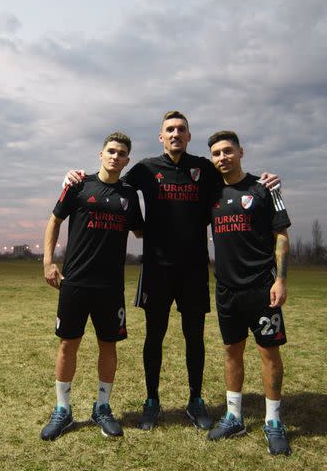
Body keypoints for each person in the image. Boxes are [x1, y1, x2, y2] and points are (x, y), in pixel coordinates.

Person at [64, 111, 280, 431]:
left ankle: (195, 401)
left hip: (193, 268)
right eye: (170, 130)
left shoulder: (204, 169)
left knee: (194, 337)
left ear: (189, 136)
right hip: (157, 268)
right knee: (155, 336)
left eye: (181, 129)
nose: (176, 134)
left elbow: (235, 178)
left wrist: (267, 183)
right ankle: (152, 400)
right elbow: (110, 178)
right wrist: (74, 179)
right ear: (161, 137)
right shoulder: (146, 169)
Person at [41, 131, 144, 441]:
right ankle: (63, 410)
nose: (115, 156)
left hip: (110, 287)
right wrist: (48, 262)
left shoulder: (129, 196)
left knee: (108, 346)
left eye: (121, 152)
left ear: (127, 160)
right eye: (110, 150)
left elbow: (143, 232)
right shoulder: (78, 184)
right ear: (101, 154)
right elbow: (54, 221)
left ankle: (102, 407)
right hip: (75, 282)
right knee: (67, 344)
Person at [205, 130, 292, 456]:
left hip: (261, 287)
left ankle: (272, 421)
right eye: (216, 153)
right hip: (226, 290)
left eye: (227, 150)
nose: (222, 157)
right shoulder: (210, 193)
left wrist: (280, 280)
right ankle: (234, 417)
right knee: (231, 352)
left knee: (269, 353)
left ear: (241, 151)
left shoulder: (265, 188)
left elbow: (281, 236)